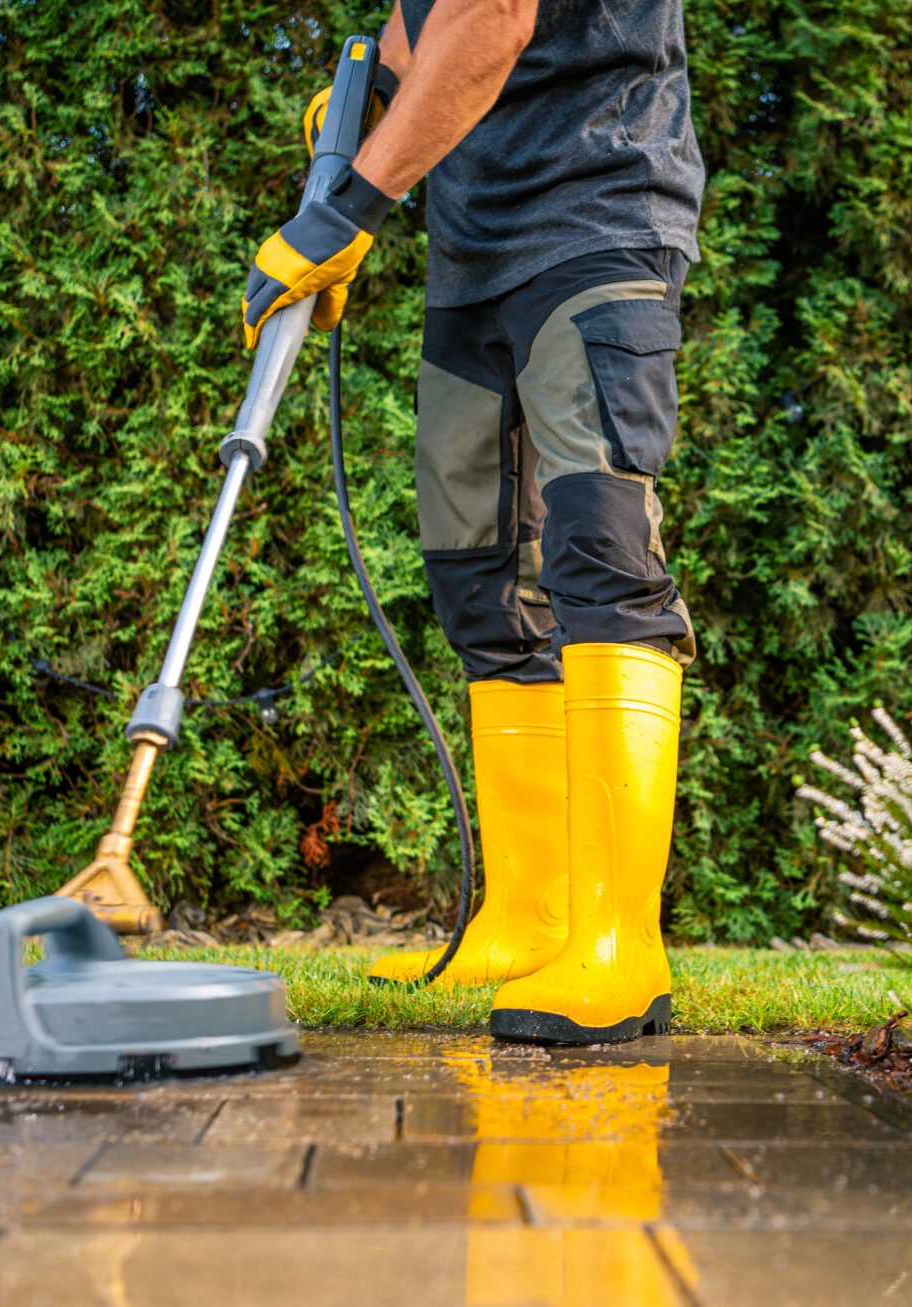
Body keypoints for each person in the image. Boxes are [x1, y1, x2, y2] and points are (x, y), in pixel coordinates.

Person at [240, 0, 703, 1044]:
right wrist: (375, 98)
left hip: (597, 217)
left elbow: (493, 17)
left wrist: (349, 204)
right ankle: (530, 916)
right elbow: (431, 22)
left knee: (599, 549)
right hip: (475, 246)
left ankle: (620, 942)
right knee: (477, 569)